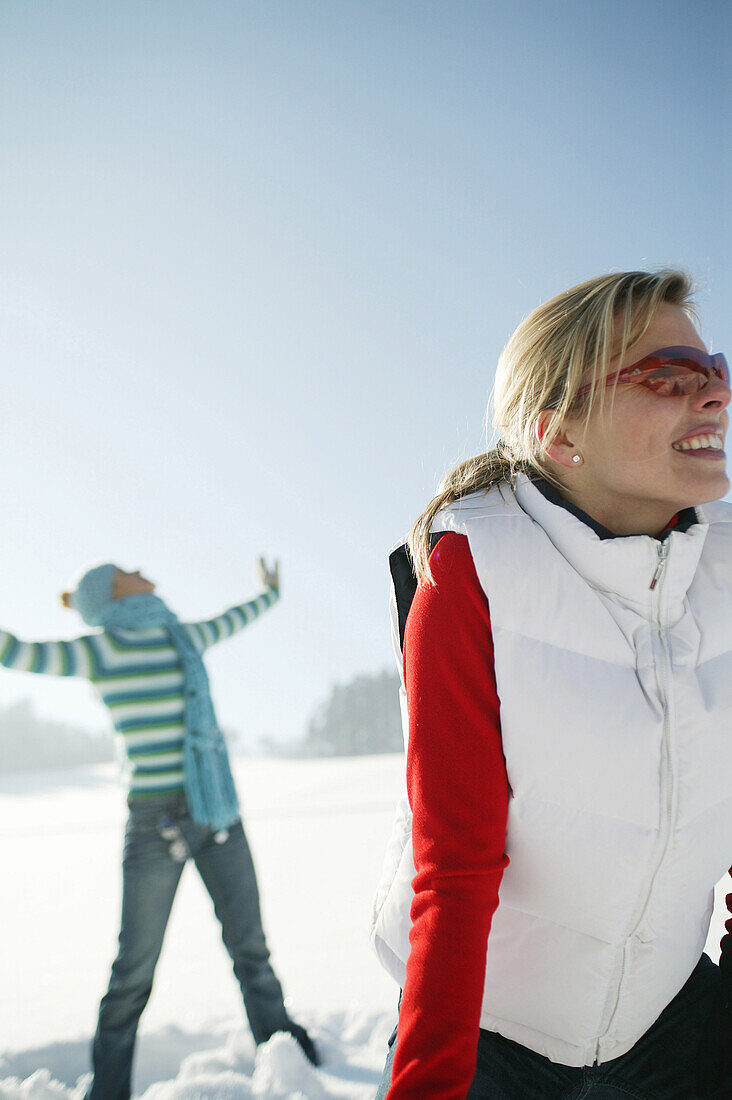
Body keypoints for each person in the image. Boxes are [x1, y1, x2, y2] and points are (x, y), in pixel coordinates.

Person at [371, 270, 732, 1099]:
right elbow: (456, 868)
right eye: (667, 376)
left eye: (712, 372)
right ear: (560, 433)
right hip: (493, 1039)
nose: (712, 398)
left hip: (673, 1028)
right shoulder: (468, 568)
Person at [0, 557, 317, 1099]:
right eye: (127, 567)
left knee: (251, 949)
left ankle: (287, 1058)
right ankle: (109, 1089)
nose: (141, 568)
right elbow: (18, 651)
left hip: (216, 812)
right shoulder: (99, 649)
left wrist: (269, 593)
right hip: (153, 825)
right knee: (132, 973)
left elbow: (234, 617)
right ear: (114, 591)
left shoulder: (183, 637)